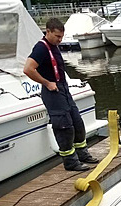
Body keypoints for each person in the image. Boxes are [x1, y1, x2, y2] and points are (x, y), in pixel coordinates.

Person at [23, 18, 98, 171]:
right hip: (52, 91)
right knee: (64, 126)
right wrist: (46, 83)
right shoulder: (41, 48)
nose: (60, 40)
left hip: (63, 89)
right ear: (48, 31)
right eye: (57, 36)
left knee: (77, 122)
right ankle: (70, 162)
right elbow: (28, 69)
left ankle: (82, 154)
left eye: (62, 37)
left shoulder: (54, 46)